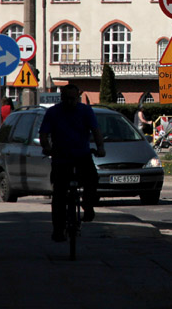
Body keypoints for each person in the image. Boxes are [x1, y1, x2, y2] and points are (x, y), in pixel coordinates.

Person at [39, 84, 106, 242]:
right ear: (61, 98)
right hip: (61, 157)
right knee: (59, 194)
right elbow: (43, 134)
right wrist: (47, 147)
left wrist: (100, 147)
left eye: (73, 99)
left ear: (78, 97)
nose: (70, 102)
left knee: (92, 179)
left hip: (82, 155)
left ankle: (88, 205)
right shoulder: (53, 112)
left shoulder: (85, 111)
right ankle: (58, 229)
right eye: (67, 98)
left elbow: (96, 131)